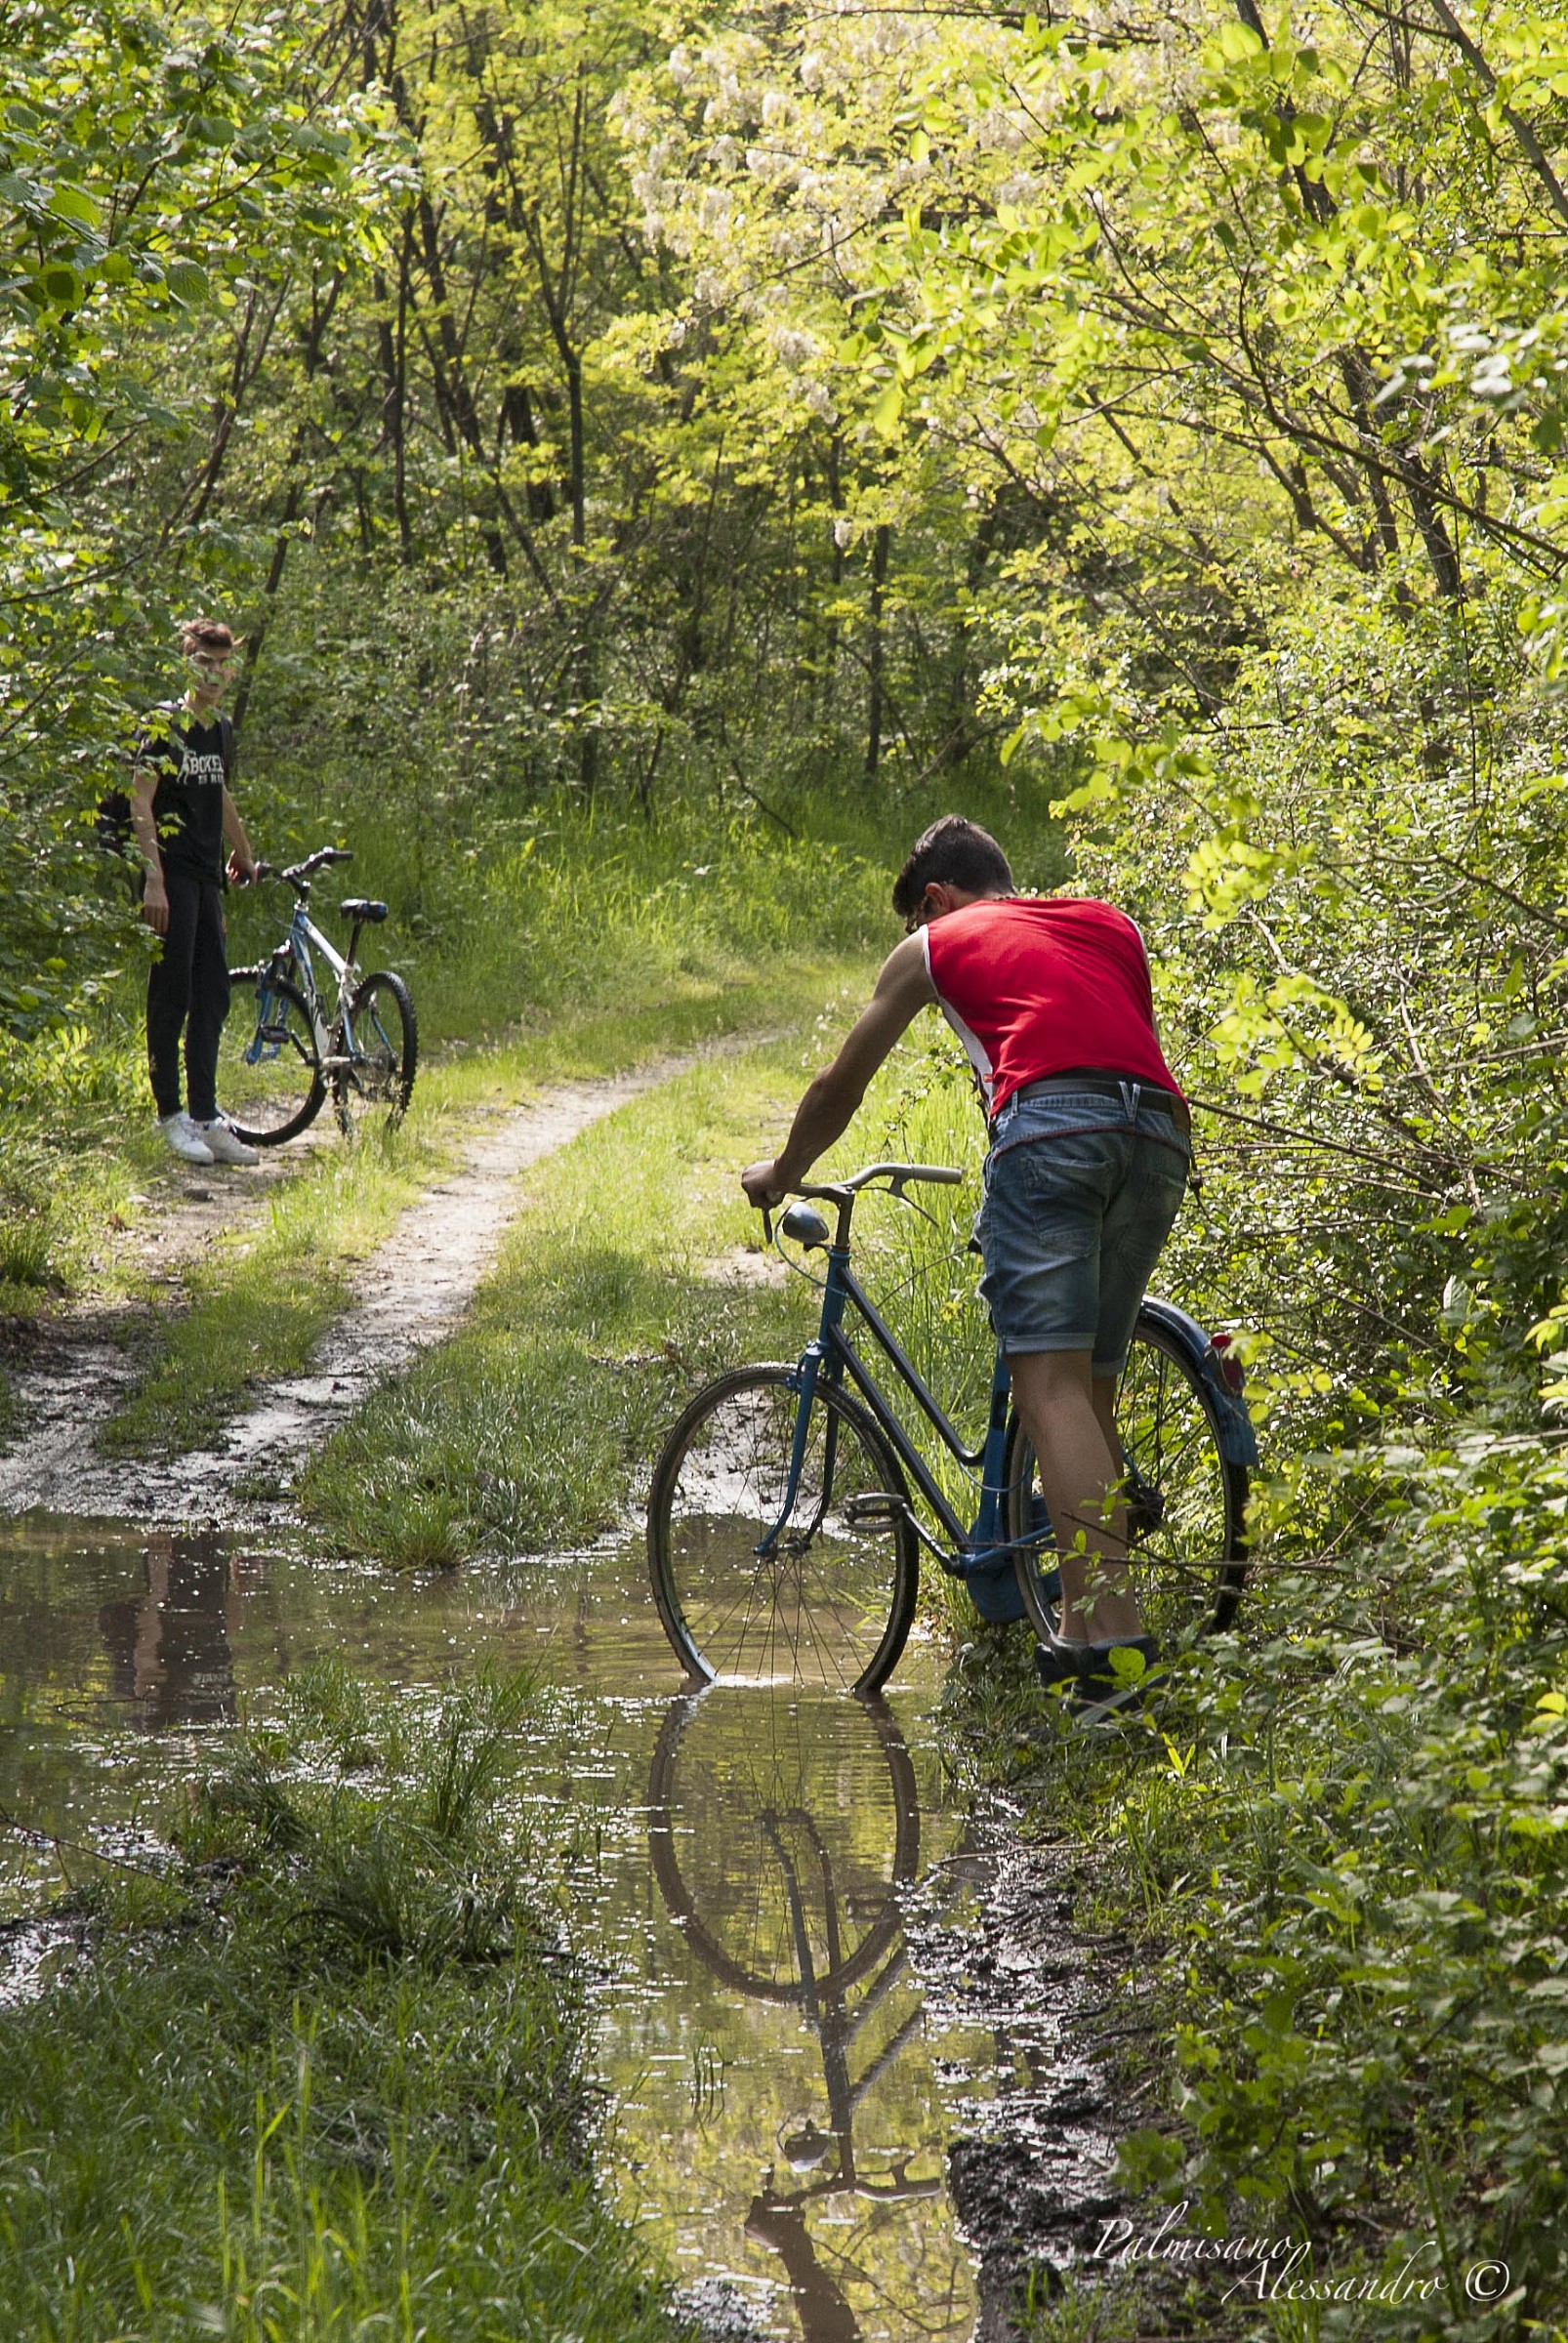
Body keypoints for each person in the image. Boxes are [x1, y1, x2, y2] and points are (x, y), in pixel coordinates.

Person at [740, 814, 1192, 1702]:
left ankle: (1120, 1648)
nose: (918, 929)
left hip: (1052, 1133)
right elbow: (1123, 1046)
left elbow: (840, 1085)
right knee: (1088, 1392)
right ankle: (1077, 1630)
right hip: (1158, 1138)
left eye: (918, 914)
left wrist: (782, 1172)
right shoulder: (1111, 924)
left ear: (935, 899)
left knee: (1048, 1392)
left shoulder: (935, 944)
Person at [130, 618, 261, 1167]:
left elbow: (218, 789)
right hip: (172, 875)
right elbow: (140, 799)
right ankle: (170, 1116)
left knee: (213, 993)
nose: (213, 674)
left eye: (222, 665)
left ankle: (205, 1116)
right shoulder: (165, 725)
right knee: (173, 994)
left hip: (207, 878)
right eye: (204, 662)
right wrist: (154, 878)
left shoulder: (220, 730)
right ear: (186, 662)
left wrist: (243, 850)